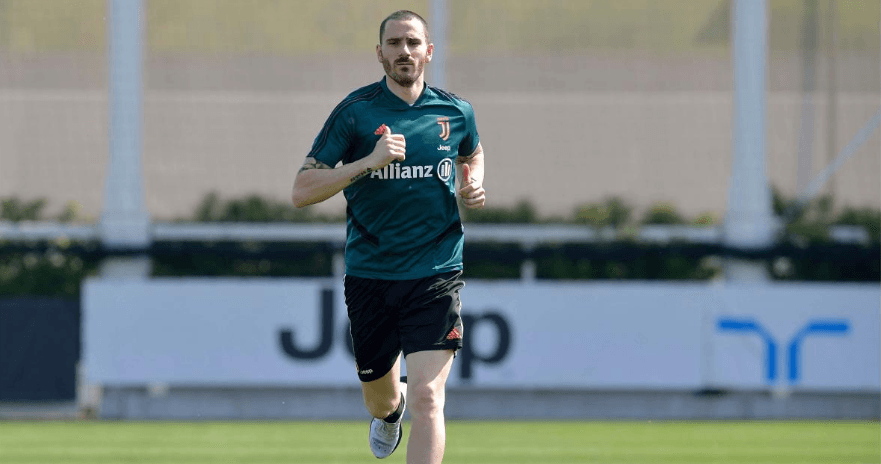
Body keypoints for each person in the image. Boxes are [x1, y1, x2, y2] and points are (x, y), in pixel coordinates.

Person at [291, 9, 485, 464]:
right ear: (379, 53)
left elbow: (472, 151)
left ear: (428, 51)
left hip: (436, 272)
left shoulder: (455, 110)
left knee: (429, 398)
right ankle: (387, 413)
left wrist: (474, 183)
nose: (404, 51)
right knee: (383, 399)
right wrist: (367, 163)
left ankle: (406, 408)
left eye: (413, 43)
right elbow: (301, 191)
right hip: (371, 275)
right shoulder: (355, 114)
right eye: (395, 43)